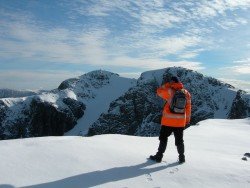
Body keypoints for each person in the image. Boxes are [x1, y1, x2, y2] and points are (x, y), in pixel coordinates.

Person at [150, 76, 191, 163]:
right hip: (180, 122)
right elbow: (188, 108)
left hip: (168, 121)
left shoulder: (169, 91)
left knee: (163, 138)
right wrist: (186, 120)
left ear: (172, 82)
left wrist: (168, 84)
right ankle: (182, 157)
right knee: (179, 140)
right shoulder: (186, 93)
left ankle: (159, 156)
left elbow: (159, 91)